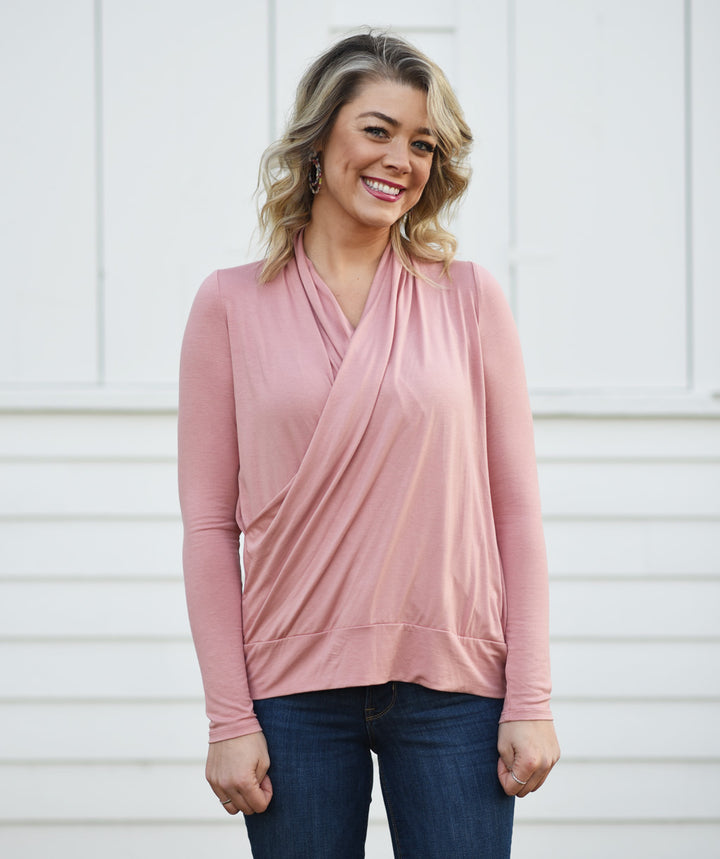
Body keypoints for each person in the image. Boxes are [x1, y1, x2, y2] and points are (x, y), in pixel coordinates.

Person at [178, 30, 560, 858]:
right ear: (319, 140)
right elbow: (208, 526)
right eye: (378, 130)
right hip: (291, 696)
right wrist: (228, 716)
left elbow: (516, 510)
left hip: (455, 688)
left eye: (422, 143)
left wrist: (530, 695)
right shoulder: (228, 306)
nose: (401, 160)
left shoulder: (469, 298)